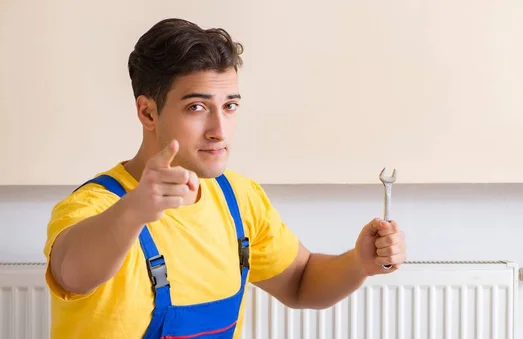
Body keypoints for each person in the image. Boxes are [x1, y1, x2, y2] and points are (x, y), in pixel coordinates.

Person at [43, 17, 407, 339]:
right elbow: (72, 273)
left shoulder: (238, 197)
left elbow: (300, 283)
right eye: (197, 107)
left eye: (230, 106)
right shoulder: (95, 206)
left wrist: (359, 263)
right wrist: (135, 210)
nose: (219, 130)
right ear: (147, 112)